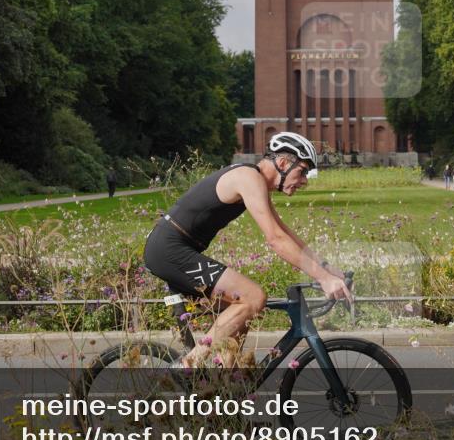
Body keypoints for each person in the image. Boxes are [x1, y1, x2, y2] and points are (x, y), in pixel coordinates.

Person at [143, 132, 352, 368]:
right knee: (253, 297)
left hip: (174, 249)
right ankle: (189, 364)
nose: (304, 180)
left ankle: (225, 383)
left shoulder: (255, 180)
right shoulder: (248, 178)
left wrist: (326, 269)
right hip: (168, 250)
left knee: (241, 315)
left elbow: (286, 233)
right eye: (302, 171)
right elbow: (275, 240)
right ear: (283, 163)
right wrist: (323, 278)